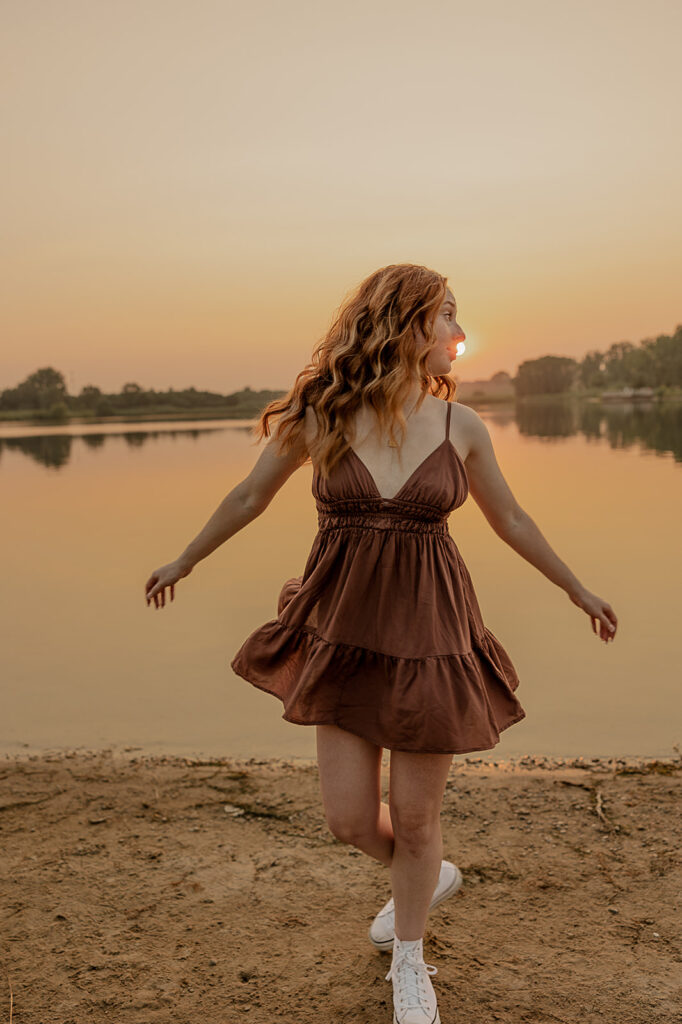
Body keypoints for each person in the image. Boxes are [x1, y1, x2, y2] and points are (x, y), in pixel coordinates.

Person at [144, 263, 618, 1024]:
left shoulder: (462, 427)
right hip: (345, 631)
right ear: (403, 323)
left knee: (420, 818)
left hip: (434, 631)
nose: (460, 336)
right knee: (350, 820)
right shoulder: (321, 413)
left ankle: (409, 961)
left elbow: (514, 520)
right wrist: (186, 559)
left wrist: (577, 588)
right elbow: (248, 495)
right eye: (446, 317)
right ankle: (425, 877)